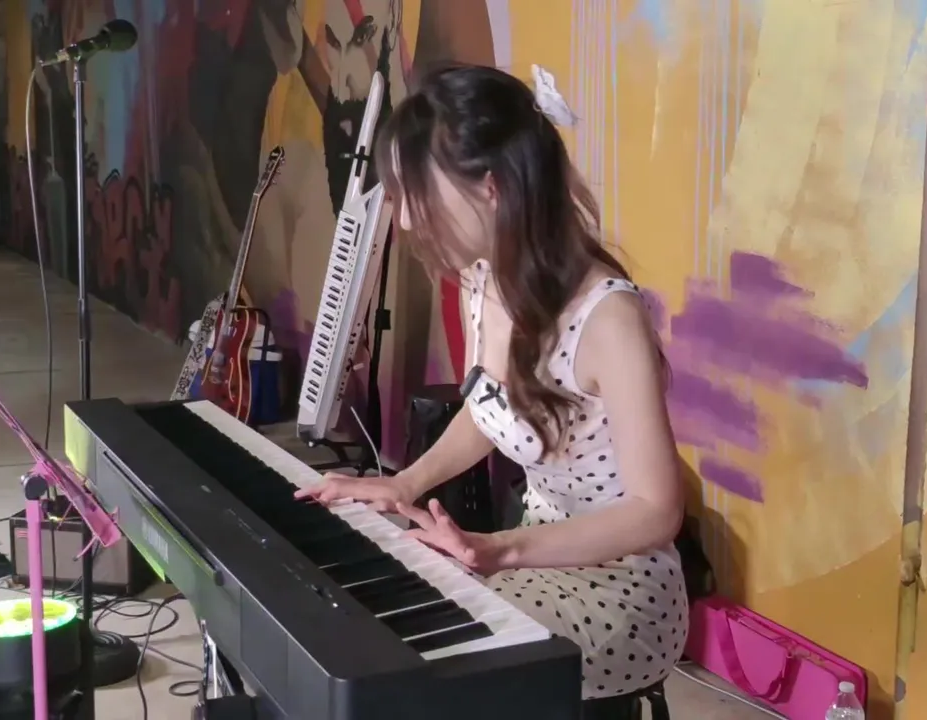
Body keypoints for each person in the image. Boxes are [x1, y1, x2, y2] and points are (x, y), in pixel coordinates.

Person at [295, 64, 688, 701]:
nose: (405, 221)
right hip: (528, 554)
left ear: (492, 187)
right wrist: (403, 483)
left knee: (423, 673)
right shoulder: (482, 279)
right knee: (362, 623)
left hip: (620, 593)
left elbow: (656, 512)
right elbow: (488, 409)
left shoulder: (608, 318)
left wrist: (500, 550)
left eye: (419, 194)